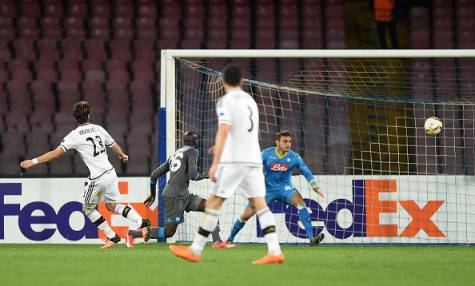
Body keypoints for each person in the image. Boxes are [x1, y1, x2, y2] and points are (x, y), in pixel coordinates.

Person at [169, 64, 285, 264]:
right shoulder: (250, 101)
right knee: (260, 204)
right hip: (254, 159)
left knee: (214, 202)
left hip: (235, 161)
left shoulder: (225, 101)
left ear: (222, 82)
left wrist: (215, 163)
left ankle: (195, 250)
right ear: (241, 81)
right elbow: (243, 131)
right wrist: (222, 146)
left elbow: (224, 130)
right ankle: (275, 251)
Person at [19, 101, 150, 248]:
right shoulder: (98, 128)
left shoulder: (74, 136)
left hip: (98, 178)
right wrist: (122, 155)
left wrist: (33, 161)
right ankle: (141, 222)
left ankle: (112, 236)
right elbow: (113, 145)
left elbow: (55, 154)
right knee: (112, 206)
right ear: (88, 116)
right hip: (111, 172)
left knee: (87, 209)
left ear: (75, 119)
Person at [126, 131, 235, 249]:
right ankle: (132, 234)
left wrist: (152, 195)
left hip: (182, 195)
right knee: (168, 232)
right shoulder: (193, 151)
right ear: (195, 142)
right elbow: (193, 176)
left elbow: (154, 176)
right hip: (174, 196)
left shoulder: (174, 155)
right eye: (197, 141)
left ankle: (217, 242)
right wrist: (206, 174)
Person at [226, 130, 325, 246]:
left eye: (290, 142)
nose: (288, 144)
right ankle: (229, 240)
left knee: (300, 202)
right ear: (277, 142)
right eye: (285, 141)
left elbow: (306, 172)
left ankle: (312, 238)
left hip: (285, 189)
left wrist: (315, 187)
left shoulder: (294, 157)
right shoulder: (266, 154)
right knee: (246, 215)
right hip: (267, 190)